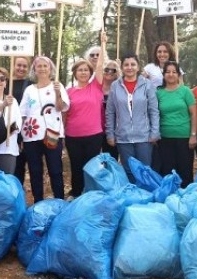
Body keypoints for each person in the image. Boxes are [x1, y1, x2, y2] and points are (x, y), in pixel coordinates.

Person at [20, 56, 70, 202]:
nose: (42, 69)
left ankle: (59, 201)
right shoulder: (29, 89)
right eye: (39, 66)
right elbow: (22, 113)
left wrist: (58, 93)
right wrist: (19, 136)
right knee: (35, 170)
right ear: (34, 70)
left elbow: (61, 108)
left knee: (55, 169)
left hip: (52, 133)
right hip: (31, 134)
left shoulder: (57, 86)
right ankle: (38, 202)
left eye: (45, 66)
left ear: (50, 69)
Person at [65, 40, 106, 197]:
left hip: (93, 135)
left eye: (86, 70)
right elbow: (64, 113)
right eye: (80, 70)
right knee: (76, 167)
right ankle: (76, 194)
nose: (83, 72)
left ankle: (92, 196)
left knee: (92, 168)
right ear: (75, 73)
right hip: (72, 136)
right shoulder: (68, 92)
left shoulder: (96, 86)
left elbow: (100, 66)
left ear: (90, 72)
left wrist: (103, 44)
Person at [105, 54, 159, 167]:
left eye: (133, 64)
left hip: (144, 137)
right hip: (123, 137)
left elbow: (153, 111)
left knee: (144, 170)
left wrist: (155, 132)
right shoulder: (115, 86)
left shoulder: (147, 85)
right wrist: (110, 134)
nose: (129, 67)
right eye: (126, 65)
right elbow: (110, 112)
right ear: (122, 67)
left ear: (138, 67)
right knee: (129, 170)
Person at [155, 61, 197, 185]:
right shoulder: (159, 93)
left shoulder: (185, 91)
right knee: (167, 173)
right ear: (163, 75)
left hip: (184, 138)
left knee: (185, 172)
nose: (171, 74)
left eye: (174, 72)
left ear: (178, 74)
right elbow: (155, 114)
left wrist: (193, 135)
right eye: (168, 72)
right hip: (164, 139)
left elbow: (194, 114)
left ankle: (186, 195)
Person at [0, 67, 21, 176]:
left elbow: (18, 123)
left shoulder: (13, 101)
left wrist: (6, 134)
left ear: (6, 83)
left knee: (5, 182)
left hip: (8, 149)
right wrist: (3, 105)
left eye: (2, 79)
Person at [10, 55, 34, 184]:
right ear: (13, 65)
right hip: (8, 127)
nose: (21, 68)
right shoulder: (5, 82)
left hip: (24, 127)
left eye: (25, 66)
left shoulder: (31, 85)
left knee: (20, 163)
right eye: (19, 65)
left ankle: (18, 189)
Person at [100, 59, 121, 160]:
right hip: (96, 129)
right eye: (107, 69)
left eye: (113, 70)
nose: (109, 72)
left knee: (111, 159)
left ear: (117, 73)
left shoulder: (119, 89)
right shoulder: (96, 87)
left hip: (112, 129)